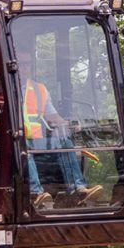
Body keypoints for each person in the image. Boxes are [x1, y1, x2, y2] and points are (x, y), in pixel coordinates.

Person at [16, 48, 100, 208]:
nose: (25, 68)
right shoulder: (1, 88)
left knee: (64, 142)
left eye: (27, 64)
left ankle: (79, 189)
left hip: (38, 142)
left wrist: (68, 124)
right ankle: (36, 193)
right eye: (21, 64)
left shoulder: (39, 90)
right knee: (23, 147)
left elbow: (52, 117)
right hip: (13, 142)